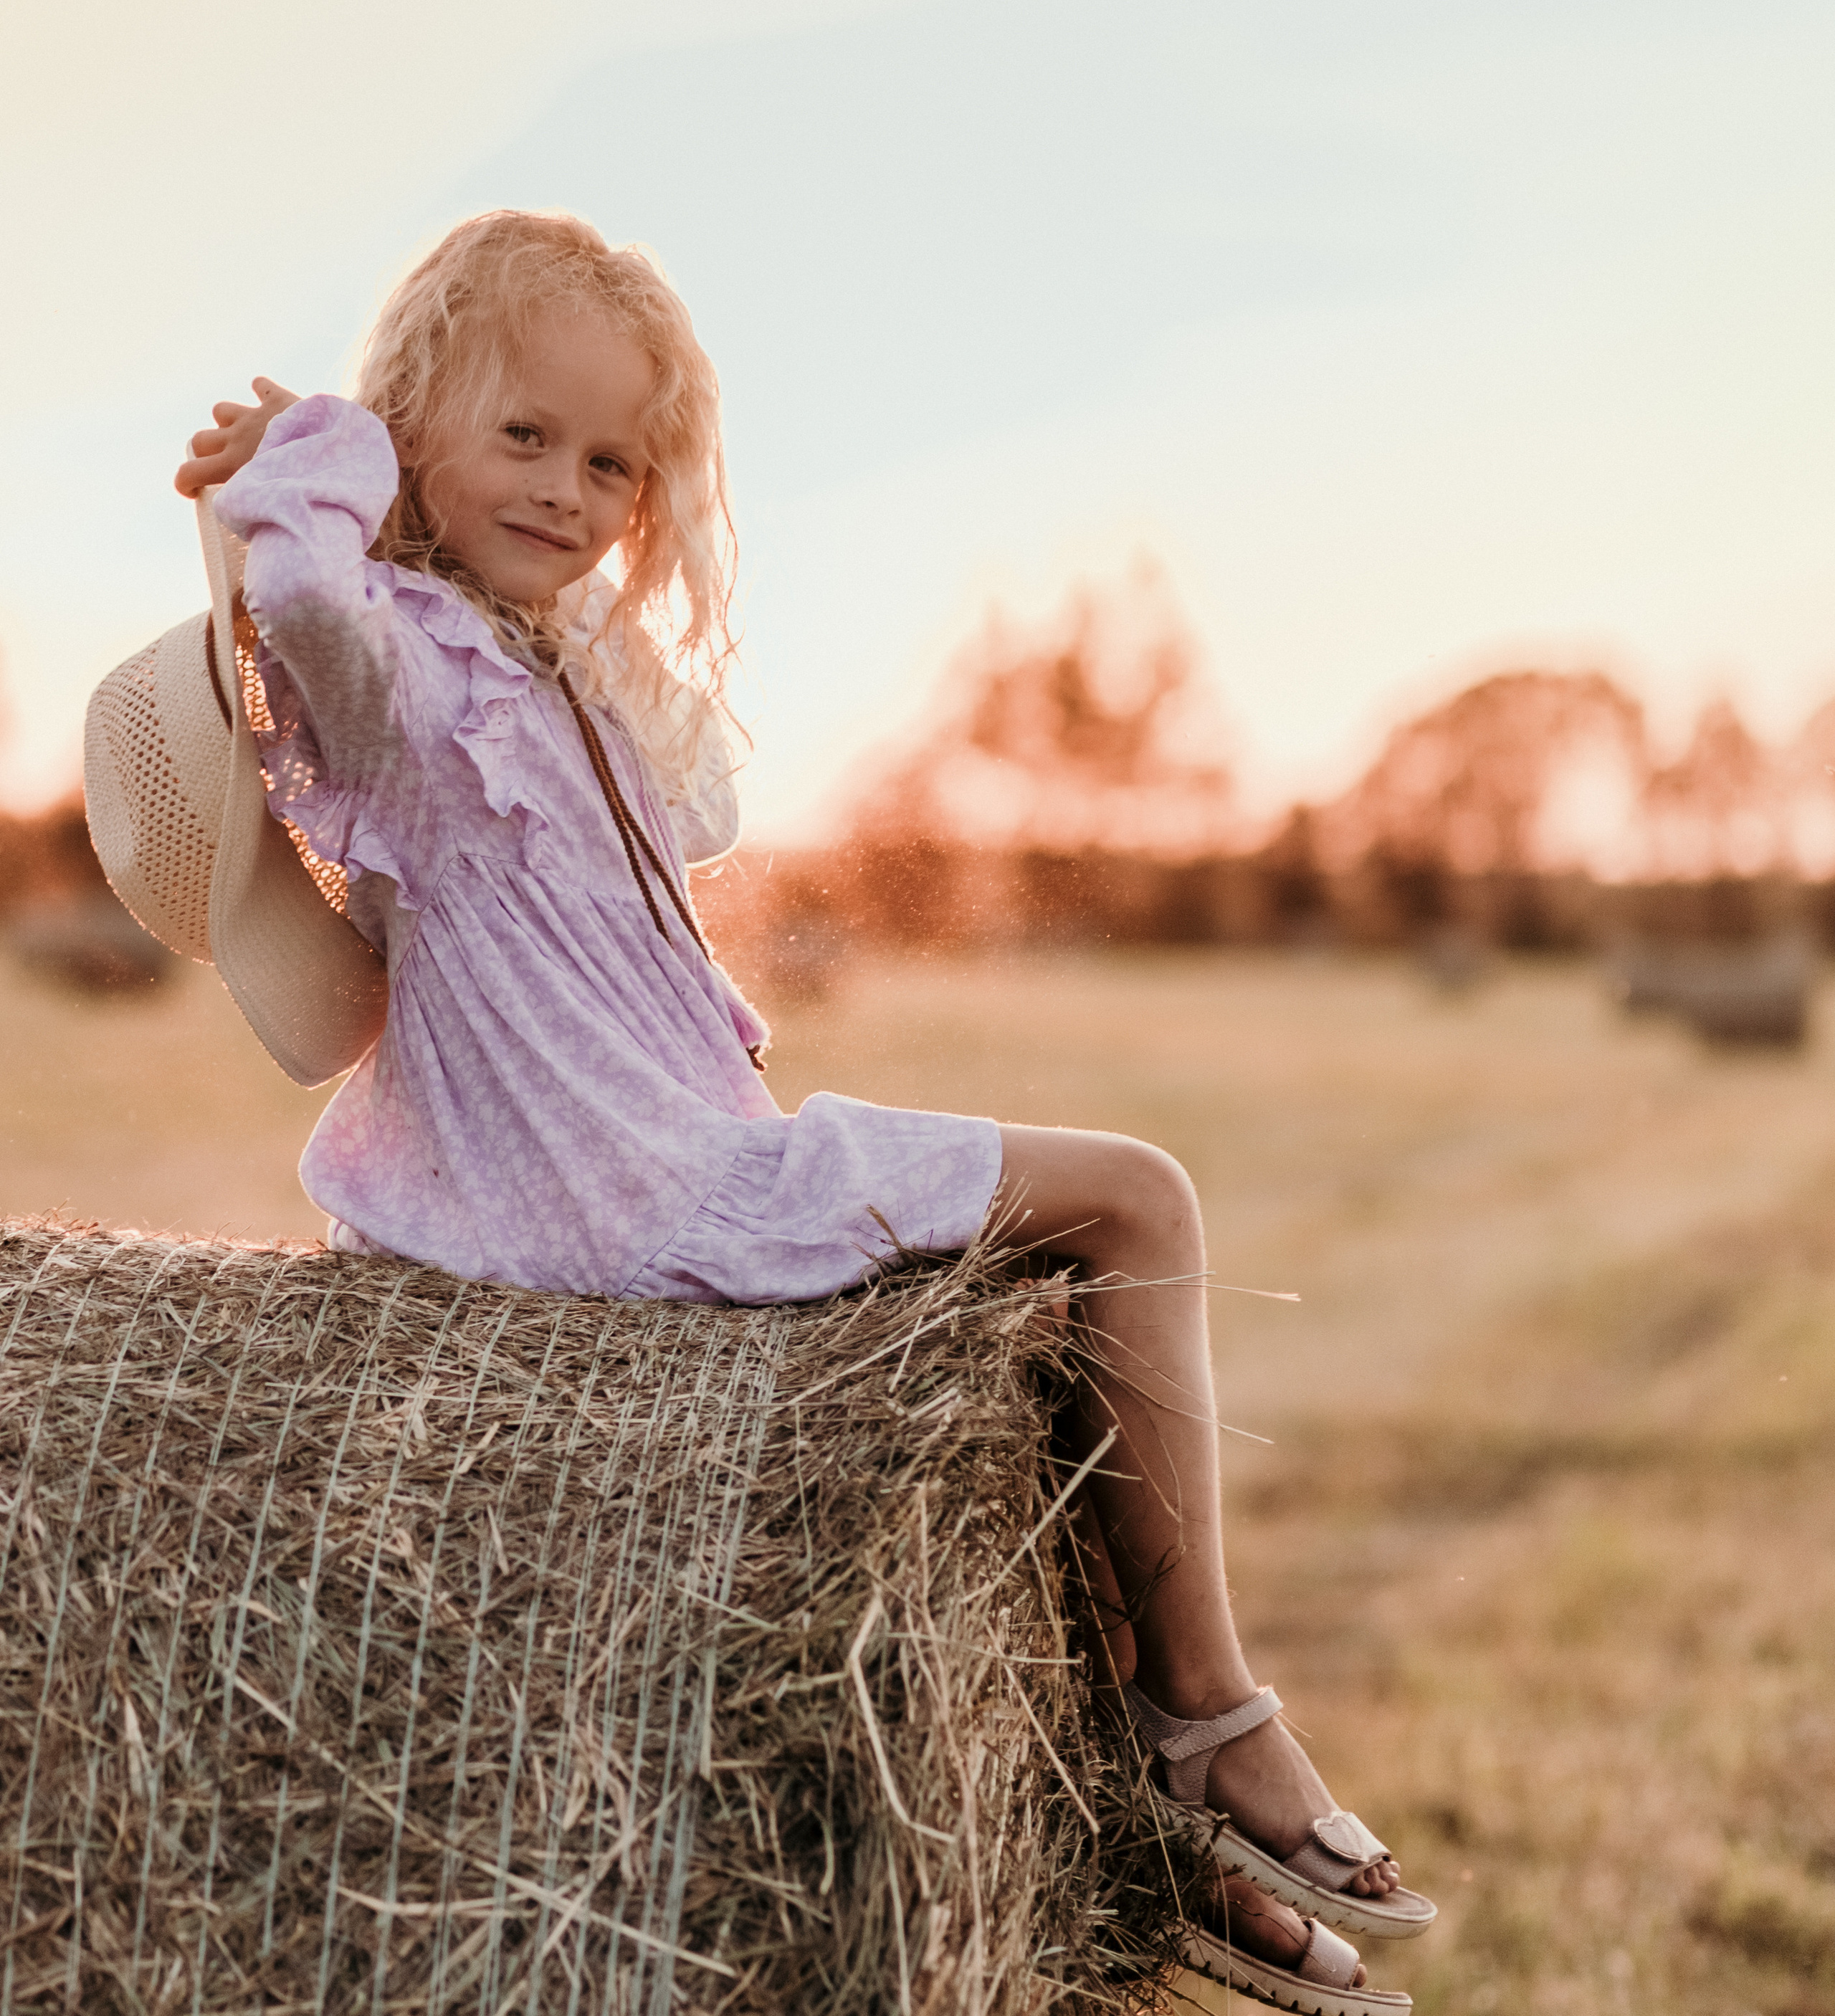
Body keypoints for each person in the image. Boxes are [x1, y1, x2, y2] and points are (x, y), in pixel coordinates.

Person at [175, 209, 1431, 2011]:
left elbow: (691, 802)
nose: (566, 490)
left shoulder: (549, 679)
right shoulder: (402, 680)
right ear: (411, 421)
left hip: (670, 1165)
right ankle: (1210, 1719)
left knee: (1040, 1362)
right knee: (1138, 1202)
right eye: (521, 434)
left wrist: (496, 532)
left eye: (612, 462)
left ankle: (1133, 1831)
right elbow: (300, 600)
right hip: (638, 1197)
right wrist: (329, 455)